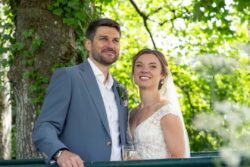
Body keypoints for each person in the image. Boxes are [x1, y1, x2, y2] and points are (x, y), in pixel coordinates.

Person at [32, 18, 128, 167]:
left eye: (115, 40)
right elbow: (44, 127)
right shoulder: (68, 77)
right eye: (103, 39)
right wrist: (60, 152)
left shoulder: (120, 89)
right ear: (88, 44)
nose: (110, 45)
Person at [129, 48, 190, 159]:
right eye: (139, 65)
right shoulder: (131, 113)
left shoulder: (167, 112)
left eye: (152, 66)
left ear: (162, 75)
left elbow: (177, 159)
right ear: (133, 72)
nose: (144, 70)